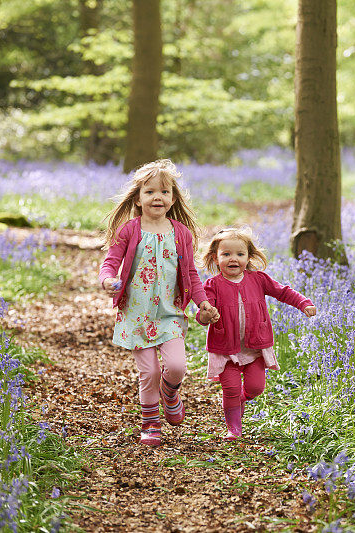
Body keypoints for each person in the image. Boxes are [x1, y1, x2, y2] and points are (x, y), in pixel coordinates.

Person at [98, 159, 219, 447]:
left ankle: (171, 392)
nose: (157, 197)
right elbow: (111, 261)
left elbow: (190, 273)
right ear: (138, 199)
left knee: (176, 366)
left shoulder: (181, 233)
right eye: (150, 192)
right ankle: (151, 423)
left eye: (164, 192)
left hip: (170, 312)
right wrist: (107, 280)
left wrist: (201, 303)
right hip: (136, 313)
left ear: (173, 198)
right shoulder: (129, 230)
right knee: (149, 371)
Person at [196, 227, 316, 440]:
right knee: (230, 389)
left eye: (240, 254)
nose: (234, 259)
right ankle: (234, 428)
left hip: (255, 348)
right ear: (215, 258)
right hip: (226, 349)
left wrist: (303, 303)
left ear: (249, 257)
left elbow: (283, 292)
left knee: (255, 388)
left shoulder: (258, 279)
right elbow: (203, 313)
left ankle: (242, 399)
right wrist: (207, 315)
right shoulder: (212, 285)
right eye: (226, 254)